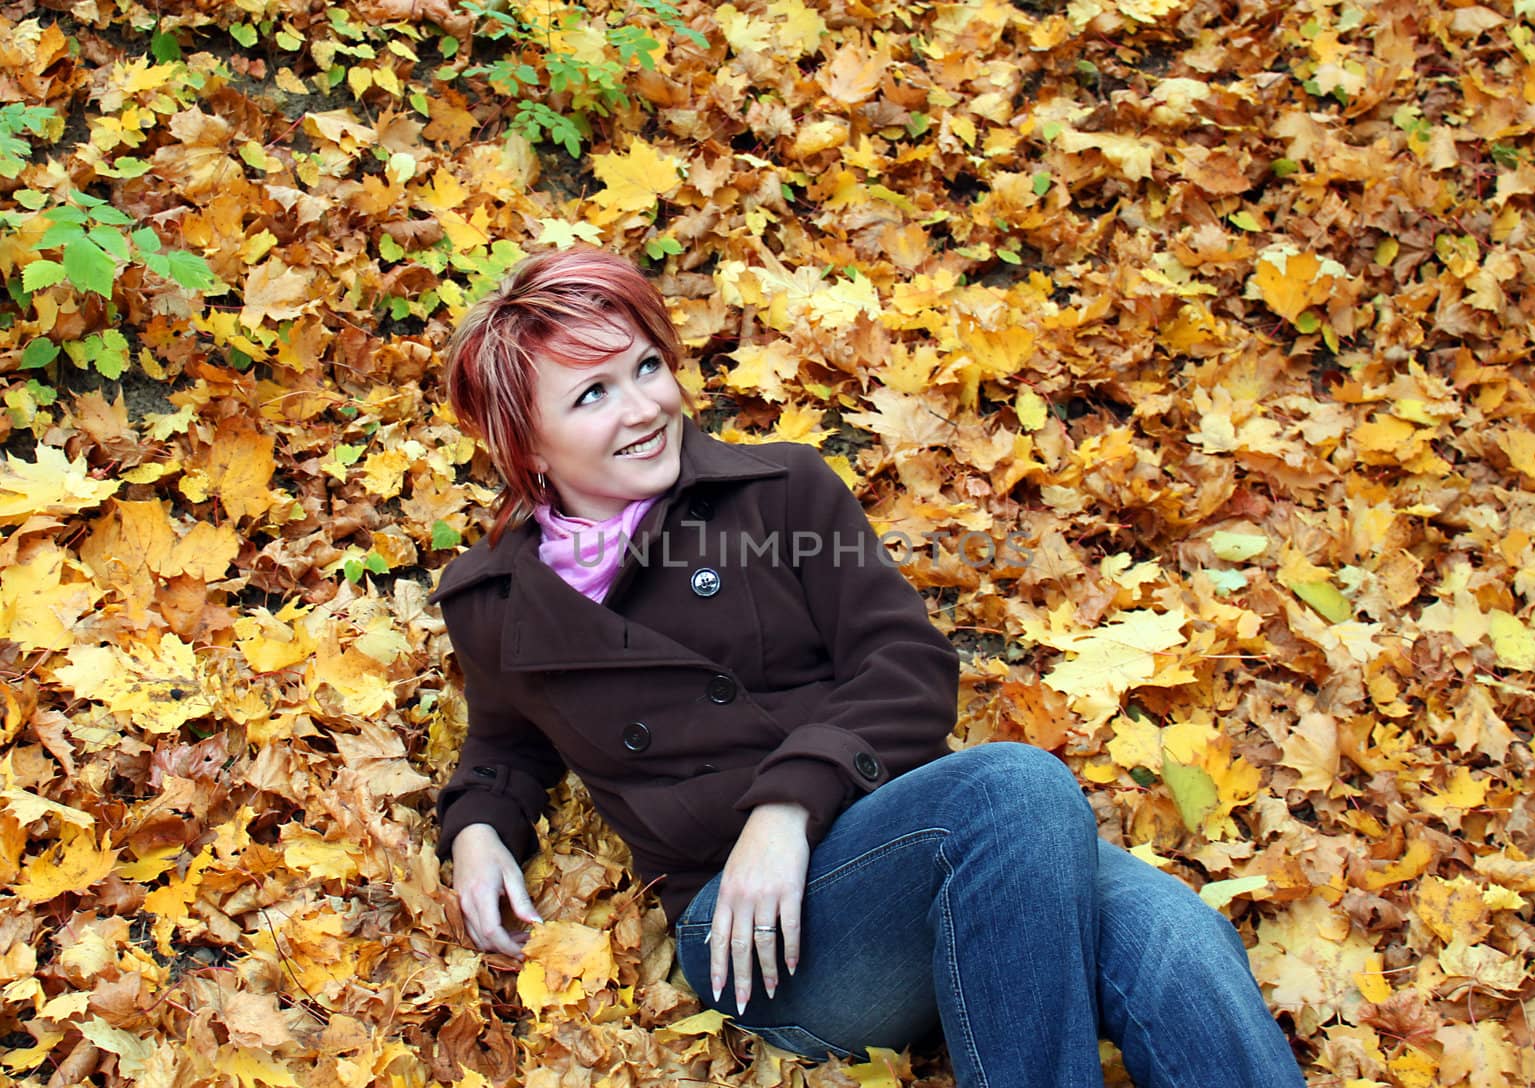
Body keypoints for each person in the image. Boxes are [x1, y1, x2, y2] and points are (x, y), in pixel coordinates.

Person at [429, 246, 1306, 1088]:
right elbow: (506, 747)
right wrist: (476, 833)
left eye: (648, 367)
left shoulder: (783, 493)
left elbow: (906, 661)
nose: (644, 407)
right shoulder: (501, 599)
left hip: (910, 831)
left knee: (1172, 935)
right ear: (528, 444)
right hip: (766, 937)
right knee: (1018, 788)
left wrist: (787, 805)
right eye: (592, 394)